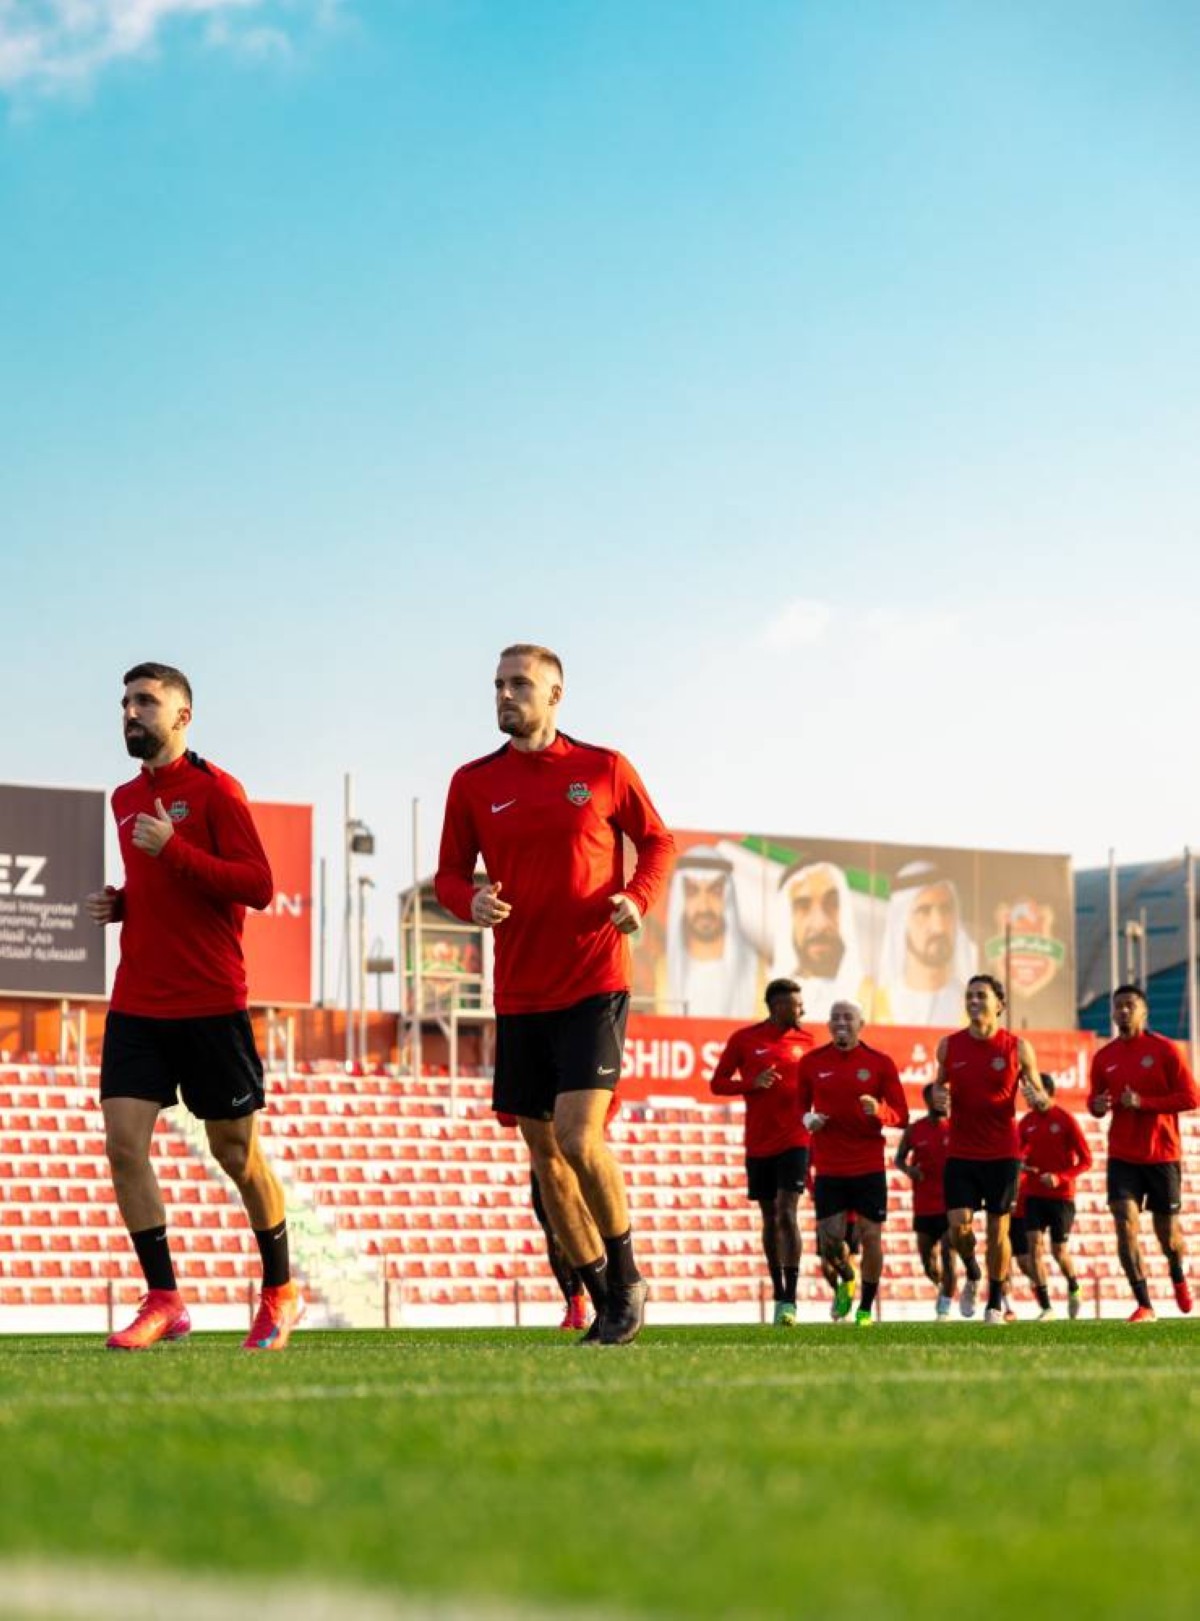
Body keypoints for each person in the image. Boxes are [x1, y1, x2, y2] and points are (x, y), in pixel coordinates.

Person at [435, 644, 674, 1345]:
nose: (505, 695)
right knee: (544, 1158)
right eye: (498, 685)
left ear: (555, 694)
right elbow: (449, 875)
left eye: (520, 684)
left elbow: (658, 842)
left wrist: (636, 897)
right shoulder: (473, 782)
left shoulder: (603, 768)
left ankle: (628, 1279)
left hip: (594, 979)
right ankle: (603, 1299)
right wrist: (470, 901)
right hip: (519, 992)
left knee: (577, 1136)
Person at [86, 663, 301, 1352]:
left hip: (210, 1001)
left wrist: (175, 850)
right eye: (126, 701)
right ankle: (165, 1299)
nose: (131, 712)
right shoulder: (124, 798)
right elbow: (164, 888)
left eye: (146, 702)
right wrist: (125, 903)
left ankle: (280, 1290)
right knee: (124, 1146)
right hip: (138, 1002)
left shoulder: (217, 790)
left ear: (182, 716)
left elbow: (258, 885)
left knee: (236, 1154)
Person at [936, 974, 1049, 1326]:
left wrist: (1037, 1098)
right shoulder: (949, 1046)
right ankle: (972, 1272)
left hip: (1003, 1153)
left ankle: (995, 1304)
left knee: (998, 1232)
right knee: (959, 1229)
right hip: (961, 1152)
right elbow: (939, 1088)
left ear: (999, 1004)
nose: (973, 1001)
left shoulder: (1018, 1048)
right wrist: (939, 1097)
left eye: (981, 995)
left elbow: (1042, 1099)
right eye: (969, 995)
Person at [1088, 984, 1197, 1323]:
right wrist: (1097, 1105)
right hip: (1123, 1155)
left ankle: (1176, 1272)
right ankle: (1144, 1304)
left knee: (1168, 1236)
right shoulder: (1104, 1057)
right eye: (1117, 1006)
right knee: (1125, 1224)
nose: (1123, 1011)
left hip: (1162, 1155)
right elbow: (1095, 1101)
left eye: (1129, 1005)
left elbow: (1192, 1098)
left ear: (1144, 1012)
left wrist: (1143, 1103)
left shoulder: (1165, 1049)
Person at [797, 1000, 909, 1326]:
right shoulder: (811, 1062)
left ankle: (865, 1308)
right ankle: (847, 1278)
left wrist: (880, 1111)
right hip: (829, 1167)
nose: (841, 1022)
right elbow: (798, 1106)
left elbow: (902, 1115)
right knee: (831, 1242)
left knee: (871, 1236)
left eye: (848, 1017)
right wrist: (807, 1119)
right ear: (829, 1025)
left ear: (861, 1024)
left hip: (868, 1165)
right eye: (835, 1017)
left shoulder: (880, 1063)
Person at [710, 979, 813, 1325]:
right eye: (796, 1004)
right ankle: (778, 1291)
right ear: (777, 1007)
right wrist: (751, 1084)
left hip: (796, 1139)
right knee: (770, 1217)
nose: (802, 1009)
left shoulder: (809, 1042)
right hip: (759, 1143)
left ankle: (790, 1297)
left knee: (787, 1212)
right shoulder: (744, 1039)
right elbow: (717, 1083)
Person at [894, 1080, 974, 1319]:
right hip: (924, 1206)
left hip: (950, 1206)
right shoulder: (915, 1130)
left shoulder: (958, 1128)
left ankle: (944, 1307)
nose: (943, 1100)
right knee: (928, 1263)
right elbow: (899, 1158)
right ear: (928, 1100)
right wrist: (909, 1170)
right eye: (938, 1096)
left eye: (947, 1096)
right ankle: (943, 1287)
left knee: (949, 1256)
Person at [1018, 1072, 1092, 1320]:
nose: (1028, 1096)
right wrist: (1020, 1165)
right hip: (1033, 1194)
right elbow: (1017, 1153)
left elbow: (1086, 1160)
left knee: (1059, 1251)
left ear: (1047, 1091)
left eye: (1032, 1091)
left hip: (1061, 1197)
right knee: (1034, 1247)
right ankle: (1047, 1307)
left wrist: (1060, 1178)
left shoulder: (1065, 1120)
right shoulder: (1025, 1123)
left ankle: (1074, 1286)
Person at [663, 846, 761, 1018]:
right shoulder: (661, 974)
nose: (704, 907)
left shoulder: (757, 973)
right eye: (692, 891)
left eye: (715, 891)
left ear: (727, 897)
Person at [876, 863, 976, 1027]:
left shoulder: (977, 1009)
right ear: (901, 924)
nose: (939, 927)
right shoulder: (874, 1008)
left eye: (946, 910)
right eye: (924, 911)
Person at [772, 861, 870, 1020]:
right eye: (803, 906)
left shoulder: (875, 1002)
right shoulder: (758, 1002)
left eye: (833, 904)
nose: (820, 924)